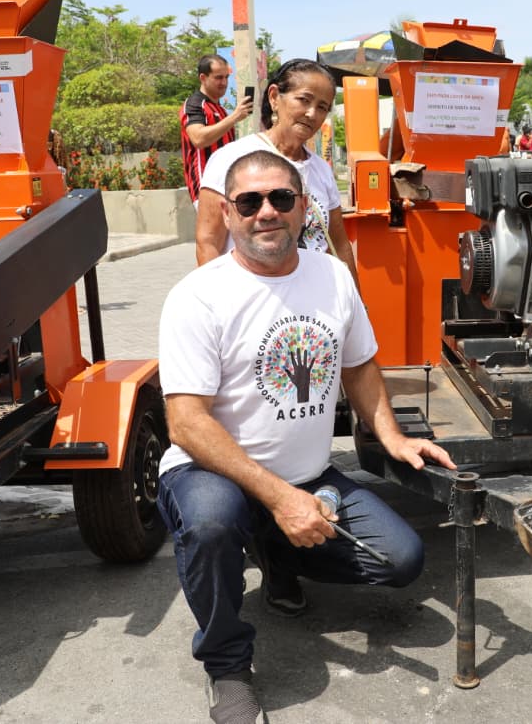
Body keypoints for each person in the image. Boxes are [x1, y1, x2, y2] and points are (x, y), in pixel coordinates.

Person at [158, 150, 456, 722]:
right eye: (249, 202)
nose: (266, 212)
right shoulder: (198, 296)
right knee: (212, 524)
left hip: (308, 475)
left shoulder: (332, 275)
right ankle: (227, 666)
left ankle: (275, 549)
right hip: (210, 473)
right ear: (227, 212)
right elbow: (186, 422)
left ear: (303, 207)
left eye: (281, 199)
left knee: (401, 561)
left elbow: (360, 365)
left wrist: (391, 436)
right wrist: (279, 497)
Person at [195, 59, 359, 288]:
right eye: (304, 100)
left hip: (313, 300)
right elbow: (208, 242)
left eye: (322, 107)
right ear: (274, 97)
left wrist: (357, 304)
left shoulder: (321, 169)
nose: (312, 114)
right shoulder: (230, 159)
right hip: (251, 299)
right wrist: (215, 304)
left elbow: (339, 244)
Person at [181, 55, 255, 206]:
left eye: (227, 77)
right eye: (218, 78)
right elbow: (199, 139)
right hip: (207, 188)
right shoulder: (194, 104)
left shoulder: (219, 108)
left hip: (227, 187)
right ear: (203, 77)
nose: (224, 83)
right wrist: (234, 117)